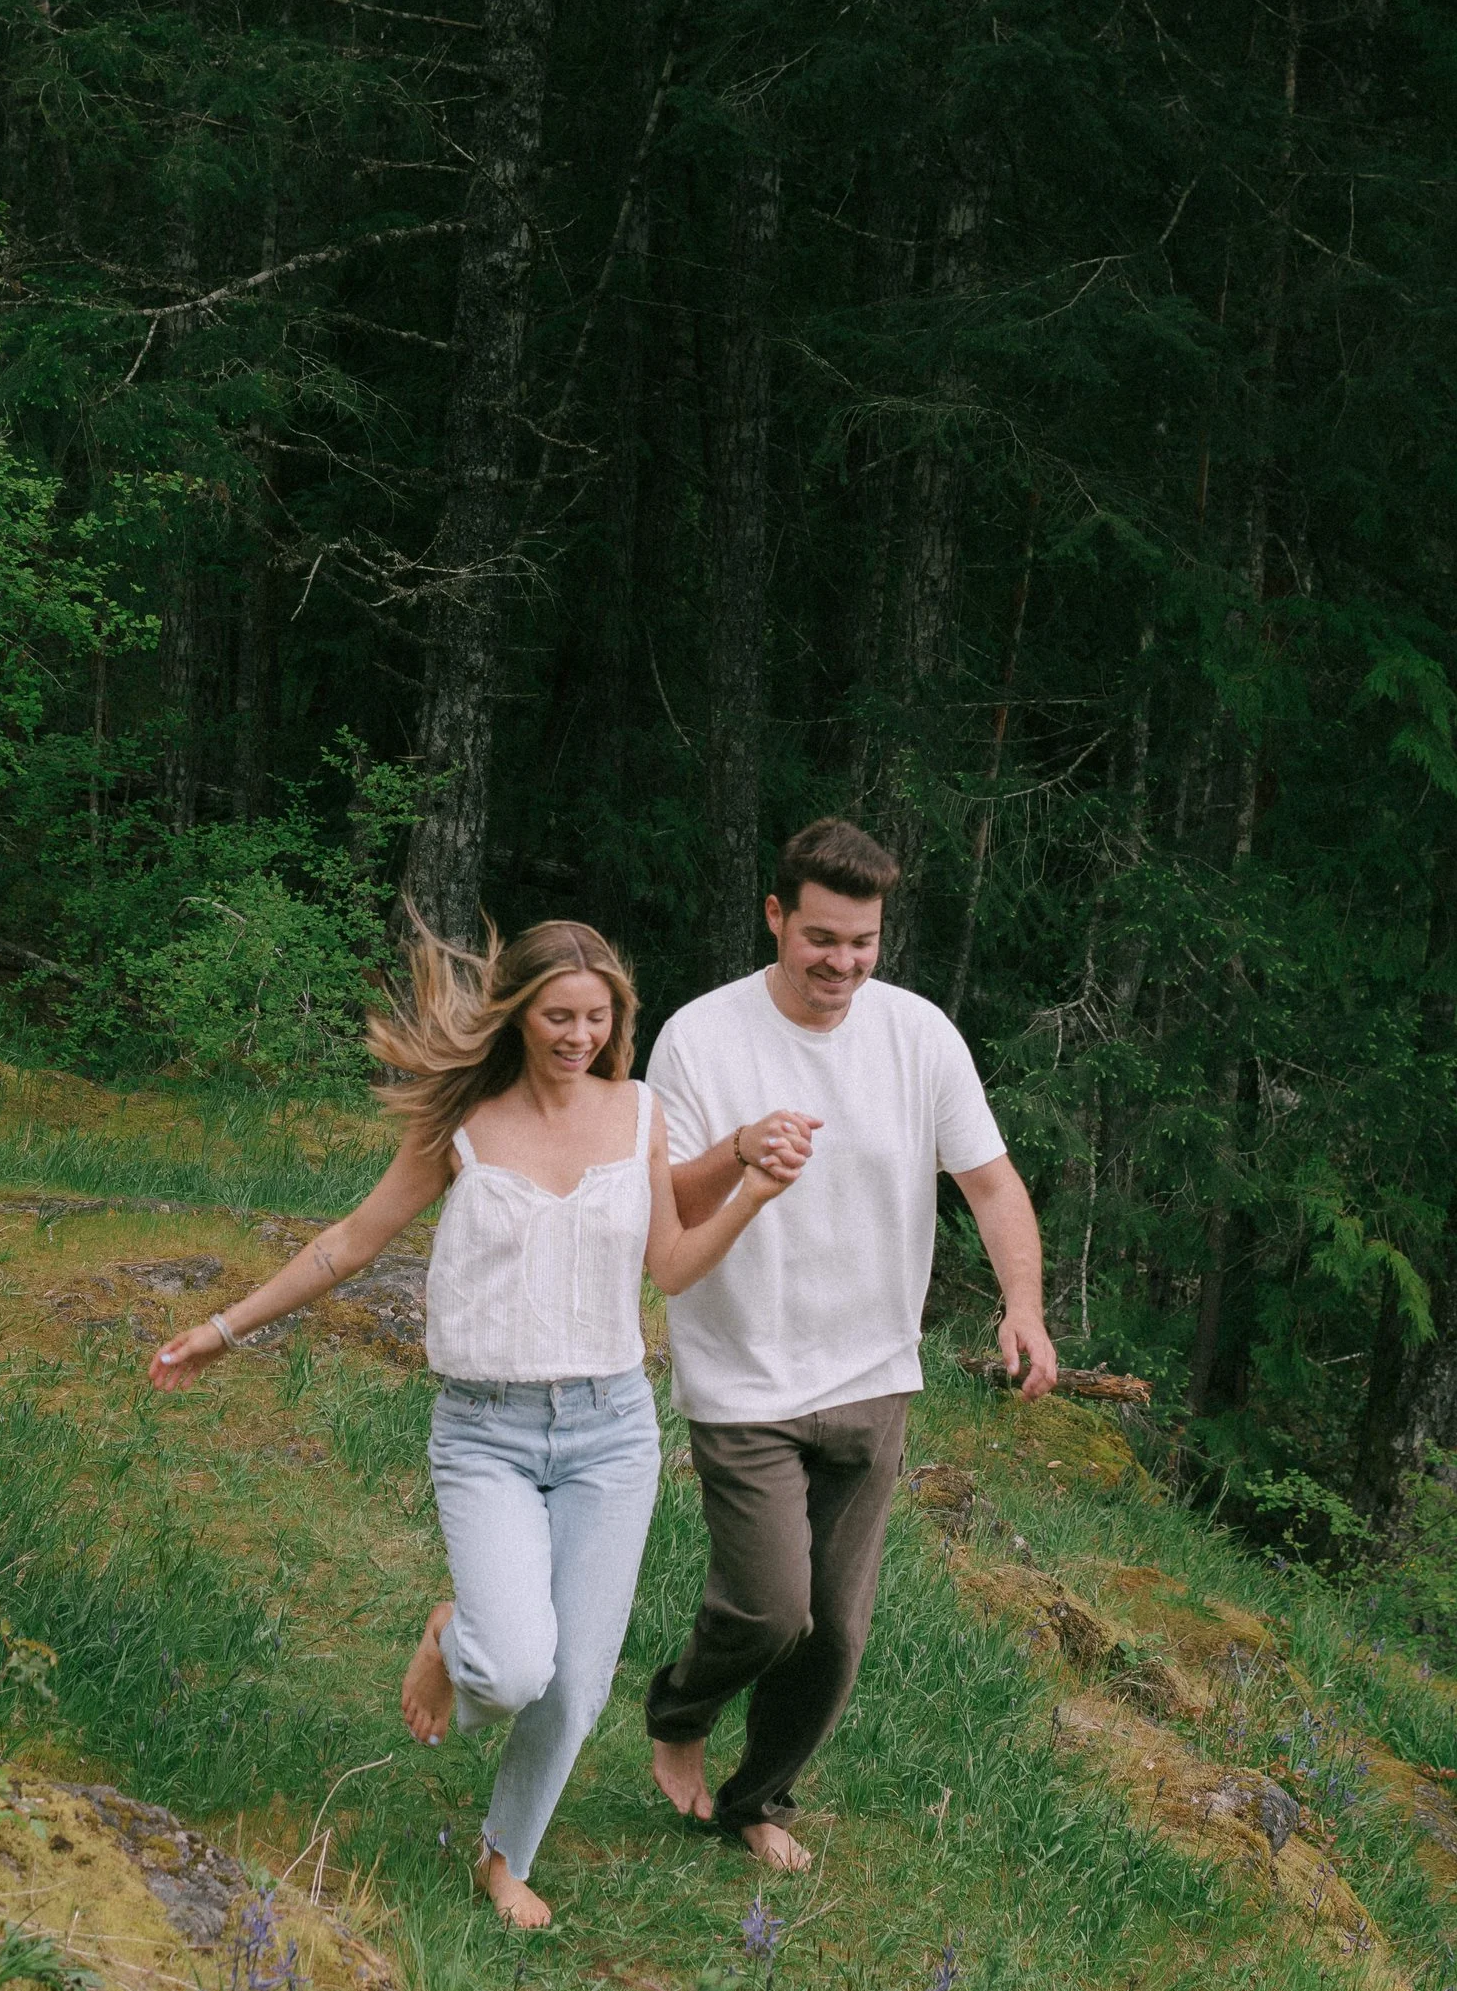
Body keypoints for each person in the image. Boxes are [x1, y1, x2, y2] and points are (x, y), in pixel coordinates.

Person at [150, 918, 804, 1932]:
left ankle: (504, 1856)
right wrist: (222, 1328)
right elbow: (351, 1242)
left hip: (610, 1432)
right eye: (557, 1015)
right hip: (487, 1431)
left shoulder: (640, 1115)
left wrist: (753, 1191)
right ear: (517, 1012)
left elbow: (669, 1268)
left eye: (596, 1017)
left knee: (574, 1687)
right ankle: (457, 1637)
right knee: (509, 1669)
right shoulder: (460, 1121)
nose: (577, 1034)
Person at [642, 815, 1057, 1873]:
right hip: (742, 1370)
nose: (842, 963)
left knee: (833, 1635)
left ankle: (756, 1798)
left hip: (873, 1374)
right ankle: (680, 1708)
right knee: (769, 1605)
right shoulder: (701, 1035)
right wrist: (737, 1150)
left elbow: (991, 1182)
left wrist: (1024, 1306)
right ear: (775, 916)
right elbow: (662, 1206)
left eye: (862, 942)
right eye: (821, 937)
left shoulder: (919, 1036)